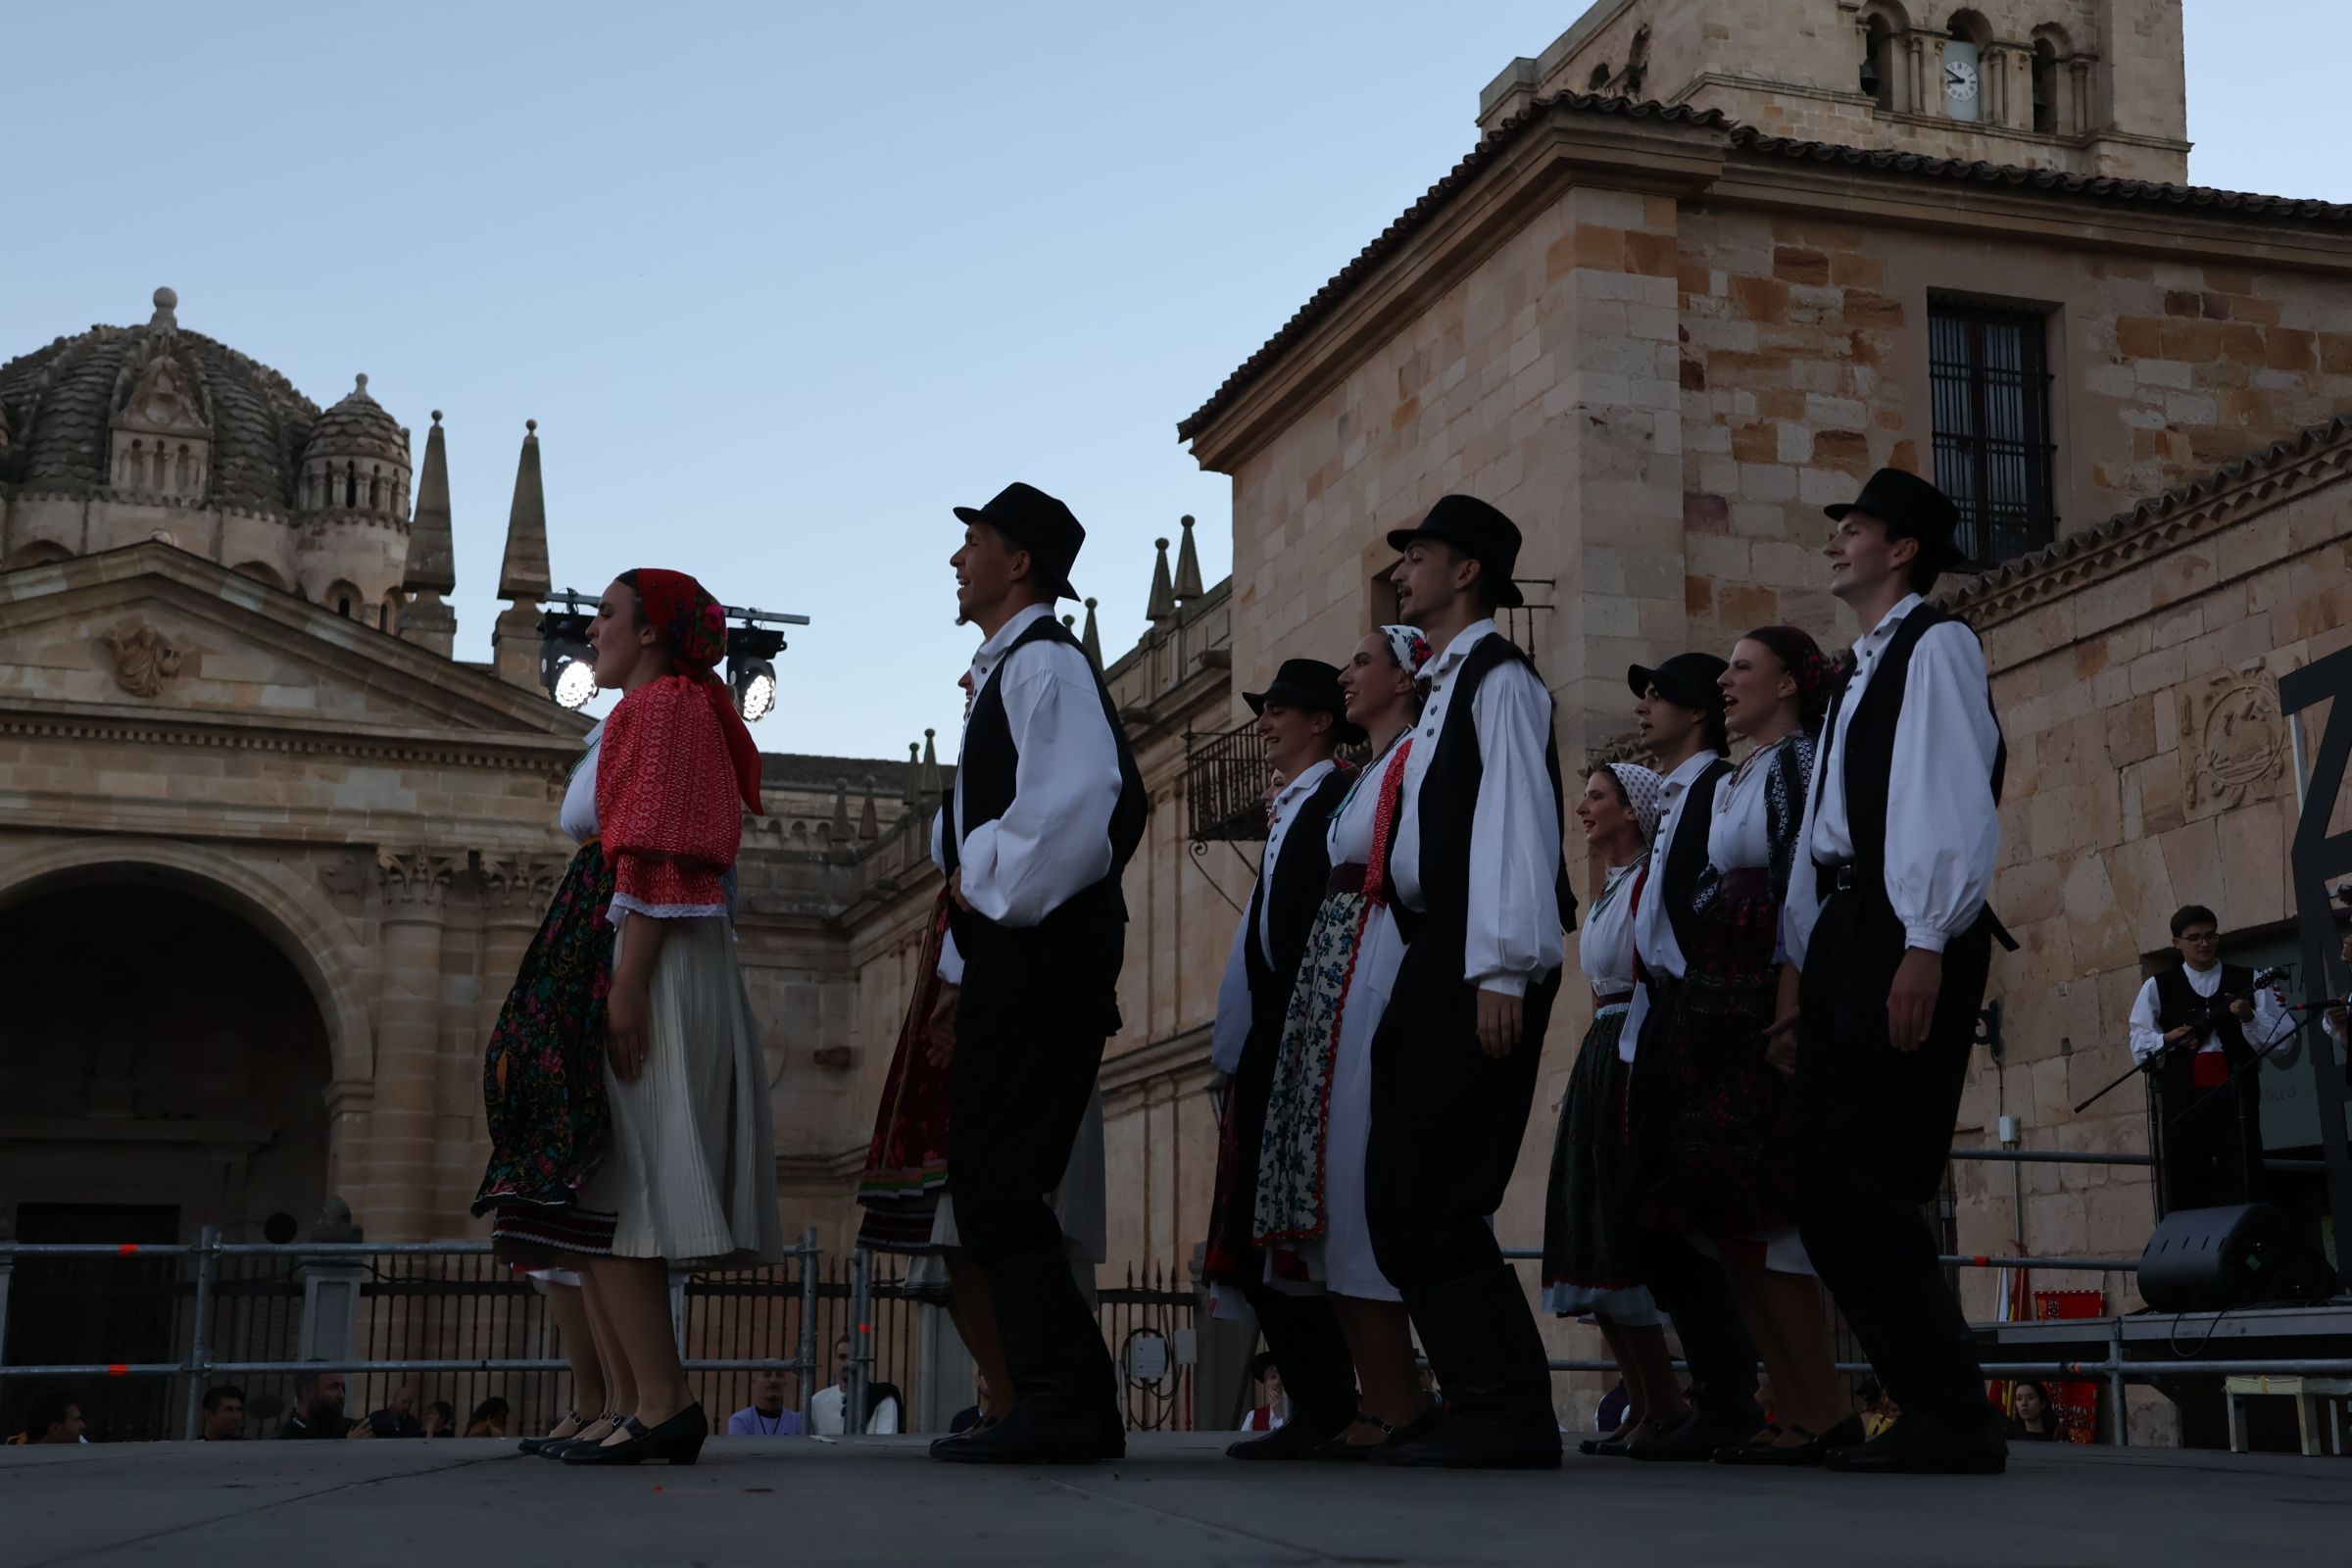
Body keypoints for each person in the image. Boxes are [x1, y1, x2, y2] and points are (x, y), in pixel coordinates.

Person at [1774, 467, 2011, 1476]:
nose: (1836, 543)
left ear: (1902, 548)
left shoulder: (1937, 645)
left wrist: (1923, 939)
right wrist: (1801, 969)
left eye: (1855, 528)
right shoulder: (1859, 667)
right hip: (1849, 923)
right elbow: (1826, 828)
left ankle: (1950, 1412)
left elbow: (1950, 794)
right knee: (1821, 1185)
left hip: (1902, 919)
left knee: (1868, 1178)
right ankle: (1924, 1402)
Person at [924, 483, 1147, 1466]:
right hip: (1018, 959)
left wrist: (985, 885)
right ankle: (1066, 1401)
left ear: (1020, 563)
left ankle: (1065, 1403)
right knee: (992, 1186)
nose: (957, 559)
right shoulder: (1015, 670)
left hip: (1040, 959)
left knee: (1001, 1186)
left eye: (973, 542)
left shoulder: (1046, 666)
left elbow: (1087, 799)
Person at [553, 569, 786, 1468]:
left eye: (607, 615)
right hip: (633, 948)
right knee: (609, 1180)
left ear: (651, 632)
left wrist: (627, 986)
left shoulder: (671, 708)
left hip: (653, 955)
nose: (592, 633)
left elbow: (659, 854)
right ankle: (653, 1401)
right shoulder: (647, 712)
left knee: (620, 1174)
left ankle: (663, 1402)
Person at [1363, 496, 1576, 1470]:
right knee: (1408, 1193)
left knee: (1434, 1192)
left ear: (1468, 574)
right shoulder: (1450, 683)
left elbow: (1518, 824)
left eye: (1422, 555)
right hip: (1436, 950)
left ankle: (1504, 1409)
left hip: (1472, 957)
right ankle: (1487, 1399)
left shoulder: (1500, 680)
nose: (1404, 570)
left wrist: (1501, 966)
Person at [1637, 627, 1859, 1467]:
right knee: (1728, 1206)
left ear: (1788, 687)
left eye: (1742, 669)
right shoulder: (1741, 776)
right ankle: (1792, 1401)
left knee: (1768, 1201)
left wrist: (1785, 989)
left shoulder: (1800, 763)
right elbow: (1699, 883)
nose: (1727, 682)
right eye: (1724, 671)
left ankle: (1820, 1401)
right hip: (1721, 986)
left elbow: (1804, 875)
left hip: (1761, 981)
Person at [1253, 627, 1440, 1459]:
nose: (1347, 676)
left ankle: (1401, 1395)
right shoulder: (1370, 775)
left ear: (1405, 680)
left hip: (1370, 966)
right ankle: (1380, 1392)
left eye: (1363, 662)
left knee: (1357, 1168)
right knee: (1331, 1173)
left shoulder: (1408, 763)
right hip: (1338, 975)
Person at [1202, 656, 1364, 1460]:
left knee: (1281, 1225)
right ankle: (1319, 1398)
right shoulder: (1294, 805)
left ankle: (1333, 1401)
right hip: (1268, 1036)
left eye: (1280, 710)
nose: (1263, 722)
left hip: (1300, 1034)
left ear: (1322, 722)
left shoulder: (1334, 801)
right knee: (1256, 1225)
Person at [1615, 654, 1766, 1465]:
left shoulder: (1714, 791)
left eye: (1661, 695)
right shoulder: (1678, 796)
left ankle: (1729, 1397)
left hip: (1701, 1010)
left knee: (1686, 1217)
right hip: (1664, 1016)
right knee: (1652, 1221)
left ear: (1700, 713)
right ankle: (1719, 1393)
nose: (1644, 708)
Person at [1541, 761, 1688, 1459]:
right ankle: (1646, 1401)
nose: (1583, 808)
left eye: (1597, 797)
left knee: (1618, 1234)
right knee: (1593, 1232)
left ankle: (1666, 1402)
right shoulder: (1608, 894)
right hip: (1603, 1051)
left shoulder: (1649, 885)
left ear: (1634, 812)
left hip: (1631, 1053)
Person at [2130, 905, 2290, 1214]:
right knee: (2187, 1178)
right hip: (2184, 1097)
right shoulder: (2157, 986)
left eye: (2210, 936)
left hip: (2236, 1093)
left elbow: (2283, 1040)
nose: (2204, 943)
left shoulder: (2249, 979)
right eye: (2194, 938)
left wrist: (2250, 1017)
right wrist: (2167, 1039)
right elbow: (2139, 1043)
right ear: (2177, 942)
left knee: (2243, 1173)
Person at [809, 1336, 904, 1436]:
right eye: (843, 1357)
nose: (848, 1363)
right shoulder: (818, 1401)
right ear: (835, 1361)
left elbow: (885, 1446)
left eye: (854, 1358)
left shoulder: (884, 1400)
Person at [278, 1370, 370, 1440]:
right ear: (308, 1391)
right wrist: (347, 1447)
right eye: (334, 1387)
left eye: (343, 1388)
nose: (341, 1395)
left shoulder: (346, 1427)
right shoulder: (286, 1439)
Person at [727, 1369, 805, 1438]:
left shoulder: (798, 1421)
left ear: (785, 1383)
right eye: (767, 1375)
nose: (774, 1380)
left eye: (779, 1375)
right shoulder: (741, 1420)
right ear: (754, 1381)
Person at [1238, 1352, 1290, 1433]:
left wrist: (1281, 1417)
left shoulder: (1300, 1414)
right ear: (1265, 1384)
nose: (1278, 1382)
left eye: (1282, 1376)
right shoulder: (1253, 1417)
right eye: (1273, 1377)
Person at [8, 1392, 85, 1445]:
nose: (82, 1425)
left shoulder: (83, 1444)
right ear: (55, 1428)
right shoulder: (10, 1455)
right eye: (76, 1420)